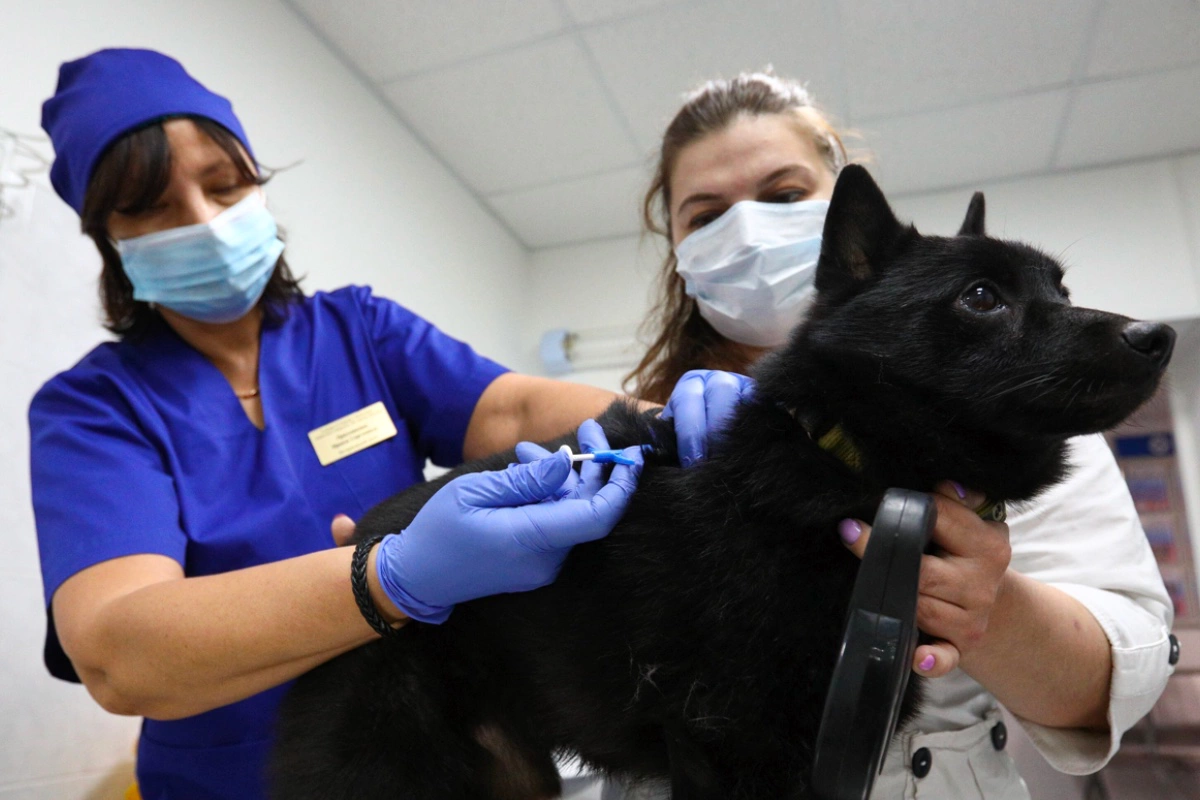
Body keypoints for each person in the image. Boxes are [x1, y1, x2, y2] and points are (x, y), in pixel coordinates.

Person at [28, 48, 750, 800]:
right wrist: (390, 580)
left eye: (224, 183)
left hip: (414, 755)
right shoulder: (93, 409)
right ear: (108, 236)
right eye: (152, 205)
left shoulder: (358, 330)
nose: (204, 222)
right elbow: (117, 650)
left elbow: (510, 409)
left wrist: (670, 421)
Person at [618, 71, 1177, 798]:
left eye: (784, 197)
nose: (747, 231)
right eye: (706, 215)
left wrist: (989, 605)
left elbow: (1113, 681)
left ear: (846, 218)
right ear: (677, 246)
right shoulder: (638, 430)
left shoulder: (1020, 421)